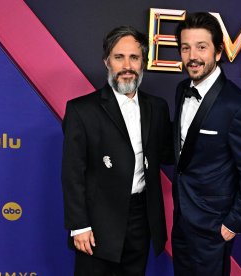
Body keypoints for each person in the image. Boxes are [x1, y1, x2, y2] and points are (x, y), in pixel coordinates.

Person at [61, 25, 172, 276]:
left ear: (143, 62)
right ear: (107, 62)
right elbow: (72, 173)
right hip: (98, 224)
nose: (127, 66)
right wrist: (79, 226)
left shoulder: (158, 107)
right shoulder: (82, 110)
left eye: (134, 57)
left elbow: (166, 152)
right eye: (119, 57)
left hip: (141, 219)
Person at [171, 12, 241, 276]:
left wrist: (233, 223)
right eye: (185, 47)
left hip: (213, 225)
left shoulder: (237, 107)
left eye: (201, 47)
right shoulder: (182, 89)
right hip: (181, 217)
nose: (192, 56)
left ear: (218, 52)